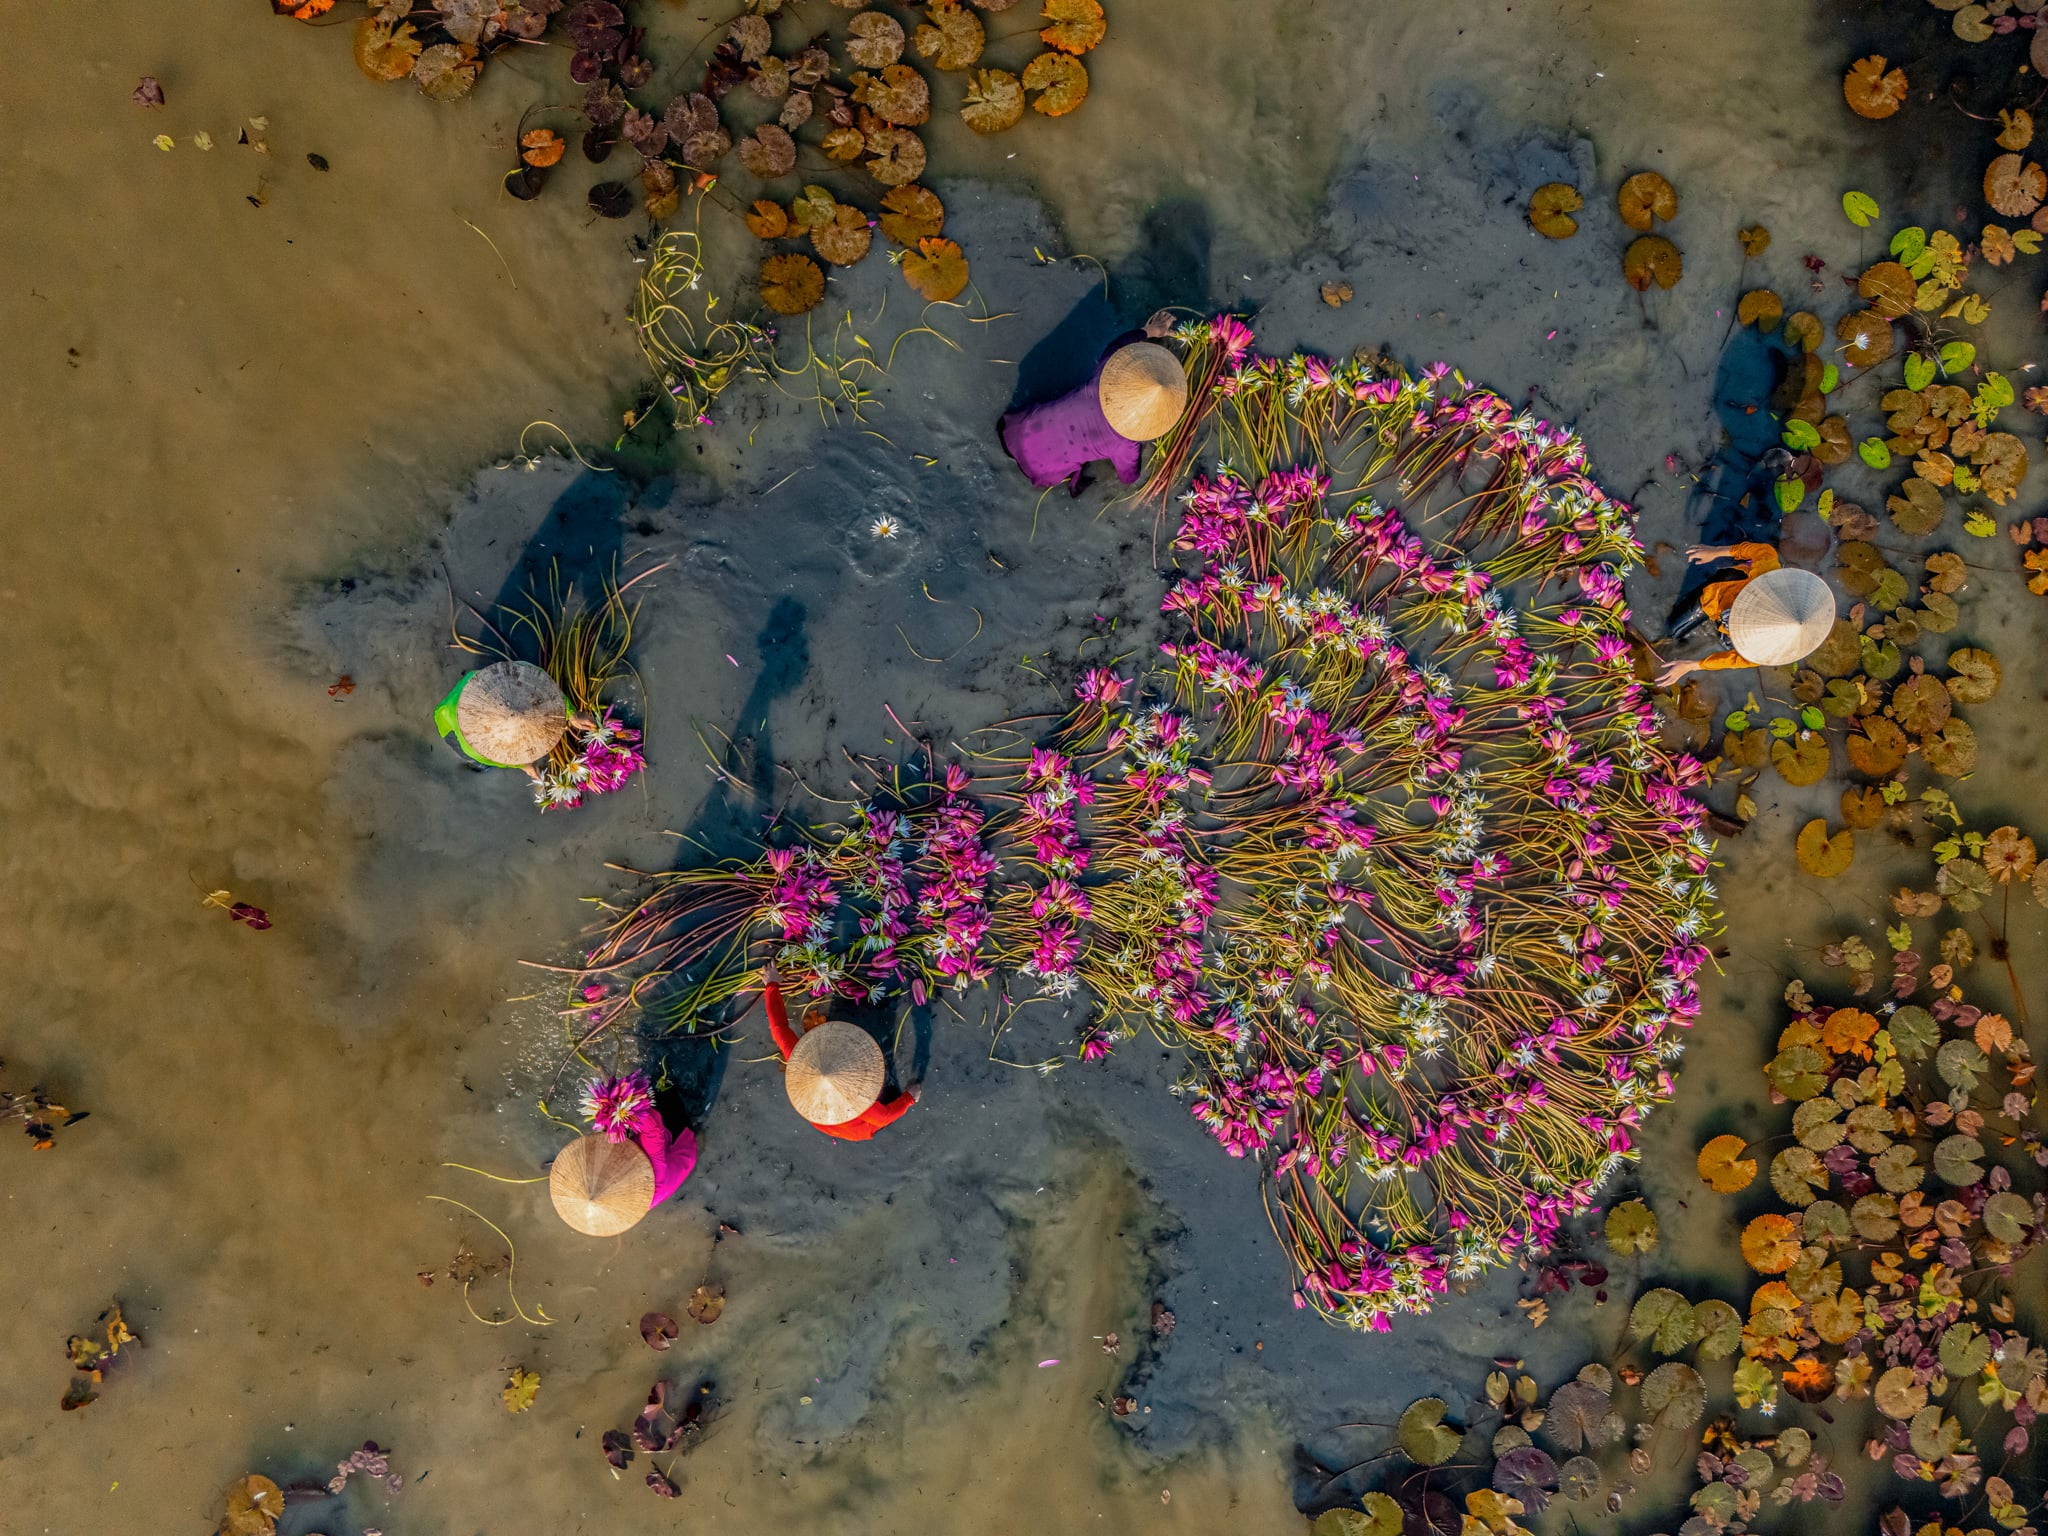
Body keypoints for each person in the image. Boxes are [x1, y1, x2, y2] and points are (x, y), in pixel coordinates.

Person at [997, 309, 1187, 495]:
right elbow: (1128, 477)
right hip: (1037, 471)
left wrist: (1150, 331)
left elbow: (1118, 344)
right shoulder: (1126, 443)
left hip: (1014, 428)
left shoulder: (1104, 374)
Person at [760, 960, 917, 1141]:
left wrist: (772, 986)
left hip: (826, 1121)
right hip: (858, 1129)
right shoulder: (859, 1102)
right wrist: (909, 1097)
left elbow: (779, 1028)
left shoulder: (802, 1063)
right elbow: (884, 1117)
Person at [1655, 547, 1836, 686]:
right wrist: (1715, 552)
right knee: (1673, 629)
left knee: (1727, 642)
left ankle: (1724, 630)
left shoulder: (1759, 652)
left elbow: (1733, 660)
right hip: (1719, 592)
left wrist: (1691, 665)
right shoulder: (1766, 573)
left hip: (1732, 628)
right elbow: (1763, 550)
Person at [434, 658, 594, 781]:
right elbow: (496, 759)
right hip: (450, 725)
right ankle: (477, 767)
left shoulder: (522, 672)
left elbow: (542, 683)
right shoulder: (471, 745)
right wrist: (523, 765)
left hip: (473, 685)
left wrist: (572, 714)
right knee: (478, 761)